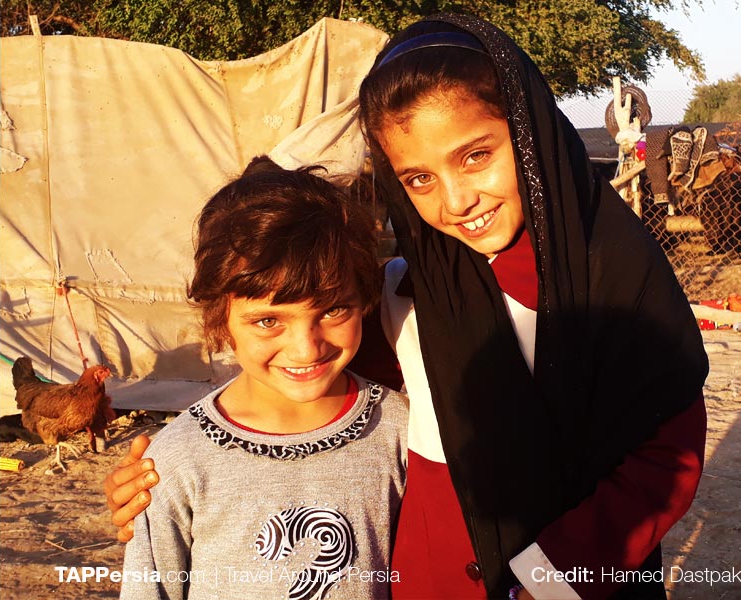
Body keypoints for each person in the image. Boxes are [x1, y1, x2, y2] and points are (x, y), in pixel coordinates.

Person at [107, 14, 709, 600]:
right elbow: (298, 370)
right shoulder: (404, 295)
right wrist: (166, 471)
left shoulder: (621, 288)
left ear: (531, 136)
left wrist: (548, 580)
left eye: (476, 156)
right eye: (419, 178)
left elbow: (667, 458)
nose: (457, 199)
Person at [118, 156, 407, 600]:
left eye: (333, 310)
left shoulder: (400, 430)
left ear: (364, 300)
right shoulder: (178, 460)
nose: (306, 349)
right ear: (220, 319)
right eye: (268, 321)